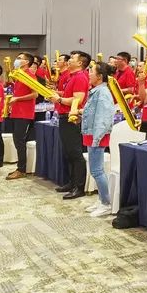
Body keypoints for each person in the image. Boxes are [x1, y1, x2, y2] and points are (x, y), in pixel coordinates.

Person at [49, 51, 91, 199]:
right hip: (64, 116)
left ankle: (79, 187)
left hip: (72, 117)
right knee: (68, 152)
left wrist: (59, 99)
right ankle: (72, 182)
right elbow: (69, 95)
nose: (69, 59)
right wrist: (57, 95)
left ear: (80, 63)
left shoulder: (80, 77)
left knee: (75, 153)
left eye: (73, 58)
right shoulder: (72, 76)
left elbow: (77, 100)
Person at [81, 62, 117, 217]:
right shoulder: (96, 91)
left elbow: (104, 117)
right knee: (95, 170)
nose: (88, 74)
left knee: (97, 170)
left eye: (91, 72)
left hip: (97, 134)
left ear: (100, 76)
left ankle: (106, 203)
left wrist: (97, 138)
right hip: (92, 133)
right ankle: (102, 199)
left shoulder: (102, 92)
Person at [5, 53, 38, 180]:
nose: (16, 60)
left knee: (19, 140)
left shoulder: (30, 75)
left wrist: (18, 98)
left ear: (27, 62)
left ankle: (22, 169)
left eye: (19, 58)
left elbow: (35, 94)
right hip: (16, 111)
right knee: (17, 139)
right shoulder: (19, 74)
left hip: (24, 112)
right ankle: (20, 167)